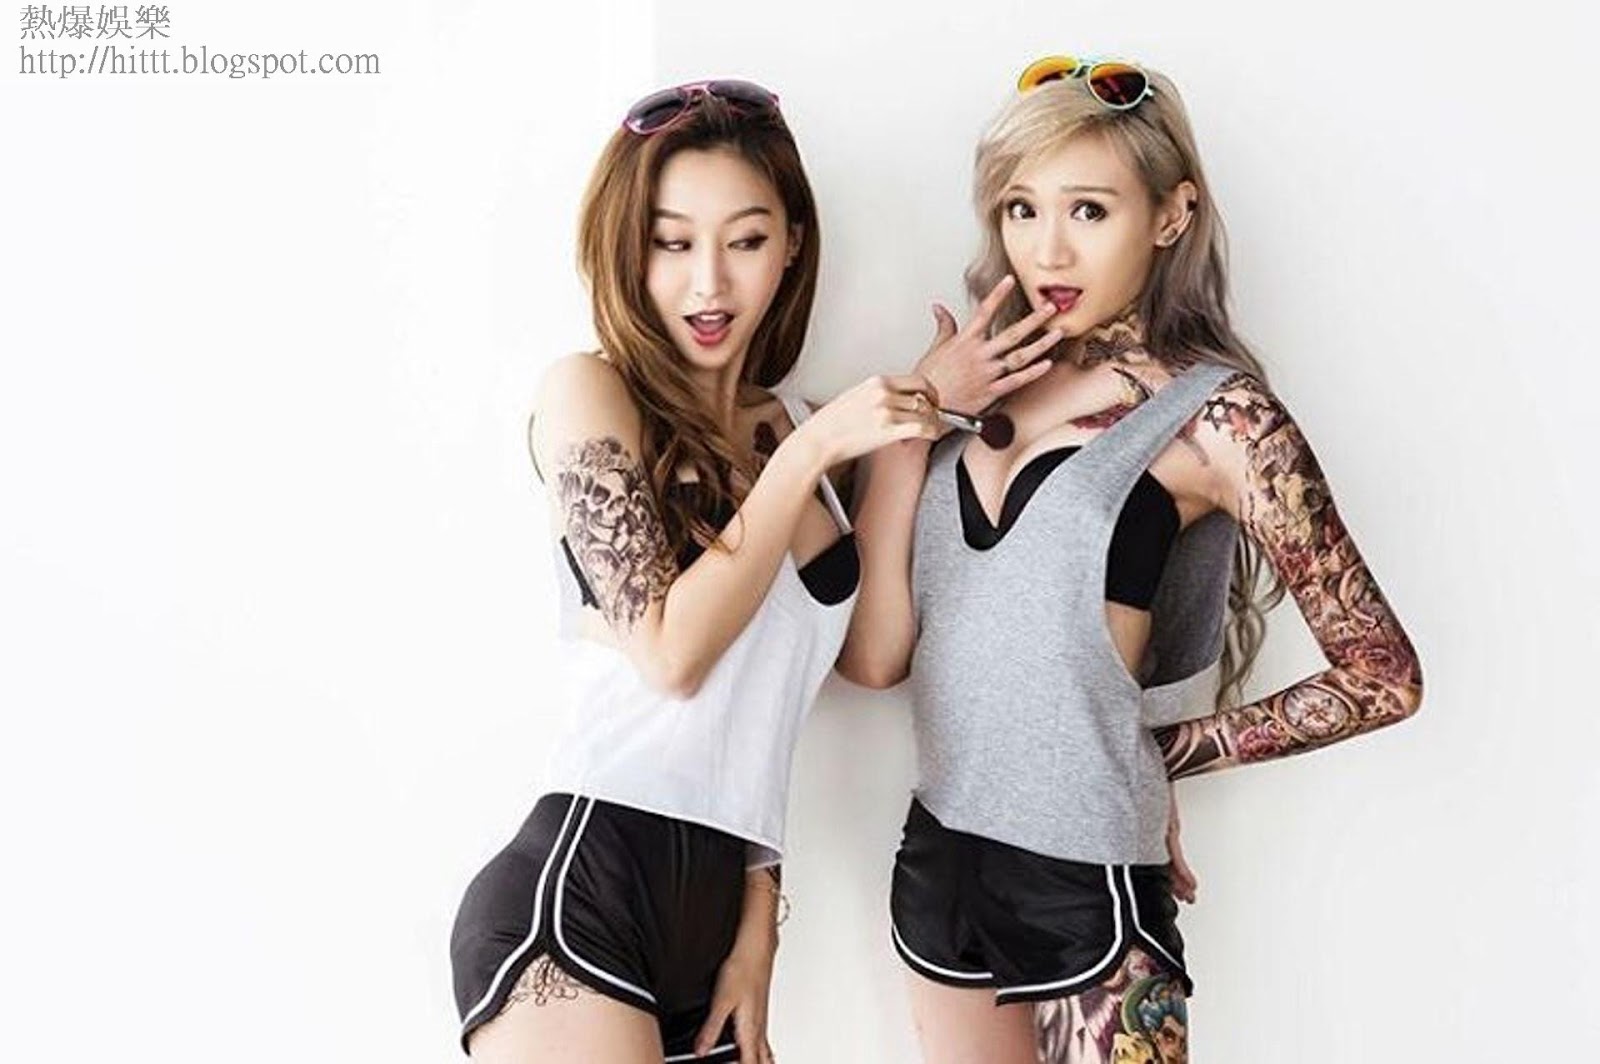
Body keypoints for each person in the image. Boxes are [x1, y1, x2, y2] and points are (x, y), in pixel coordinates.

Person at [839, 56, 1424, 1064]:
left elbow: (1382, 674)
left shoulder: (1221, 420)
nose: (1047, 248)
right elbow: (880, 657)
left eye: (1089, 210)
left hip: (1089, 882)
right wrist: (916, 415)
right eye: (1021, 209)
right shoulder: (974, 384)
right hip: (939, 856)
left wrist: (1159, 752)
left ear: (1170, 213)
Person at [449, 80, 946, 1064]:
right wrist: (813, 452)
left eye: (746, 240)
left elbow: (868, 661)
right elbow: (670, 654)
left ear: (791, 243)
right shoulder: (591, 393)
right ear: (625, 248)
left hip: (718, 928)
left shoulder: (794, 427)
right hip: (580, 896)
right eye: (671, 243)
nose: (709, 283)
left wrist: (759, 917)